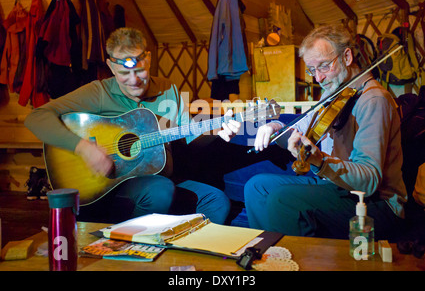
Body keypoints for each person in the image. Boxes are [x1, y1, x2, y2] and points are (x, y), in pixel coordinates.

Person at [25, 27, 240, 224]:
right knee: (159, 190)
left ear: (148, 59)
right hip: (111, 188)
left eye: (139, 71)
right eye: (124, 74)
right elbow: (36, 117)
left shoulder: (168, 89)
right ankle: (126, 250)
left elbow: (187, 136)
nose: (134, 80)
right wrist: (83, 148)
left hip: (161, 178)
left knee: (217, 202)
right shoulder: (99, 93)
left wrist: (217, 132)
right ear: (110, 66)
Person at [245, 24, 408, 240]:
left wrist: (320, 161)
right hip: (334, 185)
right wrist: (275, 127)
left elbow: (368, 182)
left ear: (347, 57)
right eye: (312, 70)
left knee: (282, 198)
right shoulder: (334, 93)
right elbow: (300, 127)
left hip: (375, 203)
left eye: (323, 66)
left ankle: (299, 259)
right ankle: (271, 252)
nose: (318, 78)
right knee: (256, 187)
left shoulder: (373, 100)